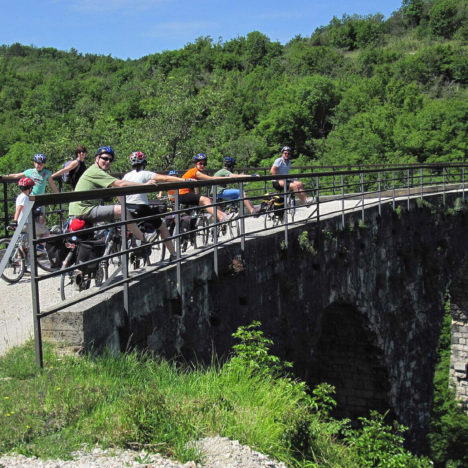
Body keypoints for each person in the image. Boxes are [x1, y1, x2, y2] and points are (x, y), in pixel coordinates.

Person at [68, 146, 159, 245]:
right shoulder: (95, 171)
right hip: (84, 210)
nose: (108, 162)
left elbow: (113, 189)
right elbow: (120, 184)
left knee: (118, 215)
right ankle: (143, 237)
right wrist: (144, 185)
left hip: (82, 209)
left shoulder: (96, 171)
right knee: (122, 210)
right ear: (97, 158)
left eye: (110, 160)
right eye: (105, 158)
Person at [122, 151, 187, 260]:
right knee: (162, 227)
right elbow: (166, 178)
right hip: (140, 207)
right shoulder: (145, 174)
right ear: (144, 162)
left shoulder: (126, 176)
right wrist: (184, 180)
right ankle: (174, 254)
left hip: (127, 207)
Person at [179, 153, 233, 223]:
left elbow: (196, 187)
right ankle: (221, 217)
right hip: (182, 194)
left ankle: (223, 216)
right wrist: (227, 177)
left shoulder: (196, 172)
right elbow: (211, 178)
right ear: (196, 163)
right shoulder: (195, 172)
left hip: (186, 194)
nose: (202, 166)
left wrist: (198, 196)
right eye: (200, 163)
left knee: (210, 201)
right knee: (206, 200)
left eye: (204, 164)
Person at [7, 153, 59, 225]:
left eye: (41, 164)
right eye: (37, 163)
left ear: (43, 164)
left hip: (41, 199)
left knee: (41, 219)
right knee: (30, 218)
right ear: (34, 163)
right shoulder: (30, 172)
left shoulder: (47, 173)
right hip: (30, 198)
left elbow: (52, 184)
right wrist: (5, 176)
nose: (39, 165)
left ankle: (39, 234)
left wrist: (58, 194)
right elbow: (17, 175)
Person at [10, 177, 50, 257]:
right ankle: (40, 248)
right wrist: (15, 220)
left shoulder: (20, 196)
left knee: (22, 245)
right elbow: (19, 209)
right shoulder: (25, 197)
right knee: (46, 232)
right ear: (30, 188)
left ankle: (22, 266)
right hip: (26, 224)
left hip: (21, 225)